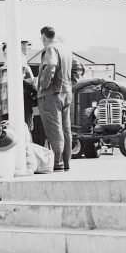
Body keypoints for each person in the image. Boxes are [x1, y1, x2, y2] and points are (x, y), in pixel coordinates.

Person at [37, 25, 73, 171]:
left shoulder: (51, 49)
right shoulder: (67, 50)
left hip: (52, 96)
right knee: (66, 130)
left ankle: (57, 164)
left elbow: (51, 65)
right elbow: (78, 68)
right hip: (66, 93)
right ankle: (66, 163)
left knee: (55, 130)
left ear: (44, 37)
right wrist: (69, 84)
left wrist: (42, 86)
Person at [0, 42, 36, 128]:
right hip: (5, 108)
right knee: (7, 134)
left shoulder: (24, 68)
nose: (8, 55)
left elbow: (33, 87)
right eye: (6, 54)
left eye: (10, 53)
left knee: (25, 132)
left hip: (22, 108)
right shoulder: (0, 71)